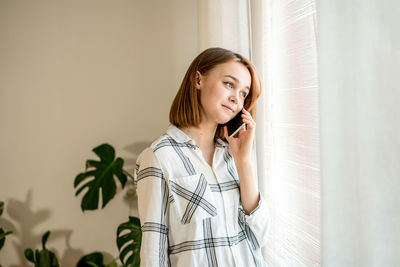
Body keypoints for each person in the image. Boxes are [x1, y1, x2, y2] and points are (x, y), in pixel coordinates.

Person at [133, 47, 269, 266]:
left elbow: (261, 238)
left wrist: (244, 163)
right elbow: (152, 255)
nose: (236, 98)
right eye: (229, 84)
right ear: (198, 79)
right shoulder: (158, 157)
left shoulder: (234, 155)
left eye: (244, 93)